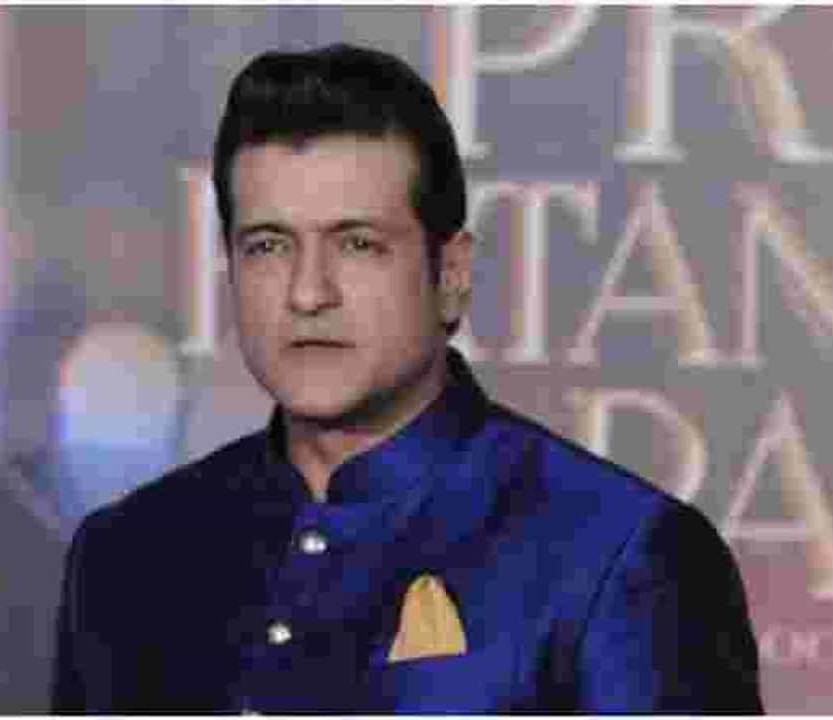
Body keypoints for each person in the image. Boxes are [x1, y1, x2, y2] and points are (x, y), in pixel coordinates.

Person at [52, 43, 763, 713]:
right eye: (268, 246)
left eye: (357, 244)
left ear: (450, 275)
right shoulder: (125, 556)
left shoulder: (618, 556)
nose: (308, 292)